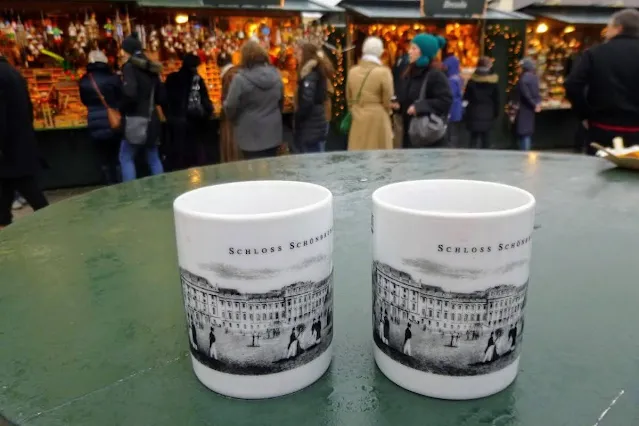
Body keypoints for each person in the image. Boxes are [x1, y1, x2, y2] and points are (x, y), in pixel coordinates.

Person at [565, 9, 639, 153]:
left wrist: (584, 114)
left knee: (598, 172)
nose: (606, 31)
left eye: (608, 27)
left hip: (602, 128)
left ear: (619, 28)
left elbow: (573, 84)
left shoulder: (594, 53)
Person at [0, 54, 49, 229]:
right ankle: (3, 223)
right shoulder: (13, 73)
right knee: (7, 187)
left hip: (8, 146)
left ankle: (50, 221)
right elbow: (28, 108)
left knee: (24, 185)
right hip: (19, 140)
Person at [224, 40, 283, 160]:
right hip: (273, 133)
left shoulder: (240, 79)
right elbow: (281, 100)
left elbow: (230, 106)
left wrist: (234, 120)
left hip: (249, 135)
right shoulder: (276, 75)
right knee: (271, 170)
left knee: (253, 172)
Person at [119, 33, 165, 181]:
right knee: (153, 157)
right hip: (152, 119)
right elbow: (161, 96)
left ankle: (131, 192)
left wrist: (122, 106)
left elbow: (130, 93)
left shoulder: (129, 67)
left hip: (135, 119)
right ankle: (162, 189)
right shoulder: (152, 68)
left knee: (125, 157)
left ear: (127, 50)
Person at [393, 33, 452, 148]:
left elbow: (445, 101)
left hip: (428, 137)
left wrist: (419, 107)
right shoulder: (409, 72)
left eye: (414, 48)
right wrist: (398, 105)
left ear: (424, 52)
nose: (409, 52)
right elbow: (408, 99)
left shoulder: (435, 75)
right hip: (411, 135)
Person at [79, 50, 122, 185]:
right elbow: (120, 97)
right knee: (116, 155)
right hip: (113, 121)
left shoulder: (84, 80)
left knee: (103, 157)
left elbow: (84, 100)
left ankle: (108, 184)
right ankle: (119, 184)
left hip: (94, 120)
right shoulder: (113, 78)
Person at [165, 53, 214, 170]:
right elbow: (205, 102)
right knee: (195, 160)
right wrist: (208, 112)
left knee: (178, 160)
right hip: (194, 124)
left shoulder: (172, 79)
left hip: (176, 124)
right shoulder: (197, 80)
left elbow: (165, 100)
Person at [346, 36, 394, 151]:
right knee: (379, 156)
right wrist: (388, 111)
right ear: (380, 52)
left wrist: (354, 109)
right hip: (378, 118)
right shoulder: (384, 72)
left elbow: (349, 97)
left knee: (358, 155)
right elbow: (387, 98)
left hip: (357, 116)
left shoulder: (352, 72)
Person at [294, 42, 334, 153]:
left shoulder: (310, 73)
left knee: (314, 153)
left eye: (298, 54)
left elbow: (307, 99)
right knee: (318, 150)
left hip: (313, 121)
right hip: (319, 118)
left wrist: (299, 116)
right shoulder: (317, 70)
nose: (296, 57)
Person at [464, 57, 500, 149]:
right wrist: (496, 113)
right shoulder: (493, 81)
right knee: (486, 140)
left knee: (473, 139)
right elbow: (496, 99)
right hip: (488, 112)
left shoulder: (472, 80)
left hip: (473, 112)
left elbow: (466, 97)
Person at [513, 58, 541, 151]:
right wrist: (537, 104)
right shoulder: (535, 78)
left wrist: (534, 104)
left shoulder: (523, 79)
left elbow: (526, 94)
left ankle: (524, 151)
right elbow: (536, 93)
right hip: (530, 109)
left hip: (523, 108)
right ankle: (525, 150)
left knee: (523, 133)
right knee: (527, 132)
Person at [218, 52, 241, 163]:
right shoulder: (239, 72)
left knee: (232, 150)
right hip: (243, 121)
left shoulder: (228, 76)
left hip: (231, 122)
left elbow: (229, 102)